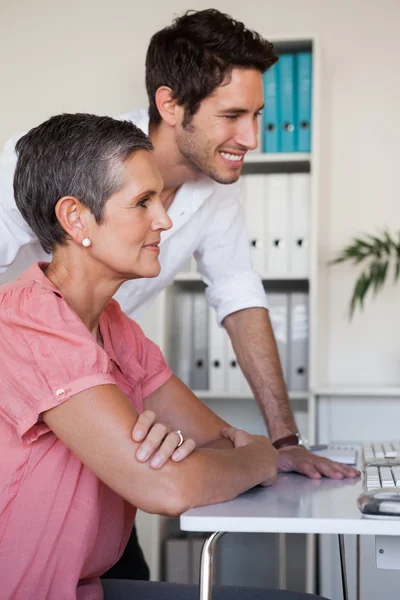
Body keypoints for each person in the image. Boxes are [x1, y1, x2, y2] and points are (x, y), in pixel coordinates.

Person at [0, 8, 359, 582]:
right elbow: (168, 482)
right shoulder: (67, 165)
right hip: (34, 381)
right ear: (170, 105)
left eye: (258, 115)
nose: (252, 138)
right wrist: (31, 374)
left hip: (100, 378)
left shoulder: (122, 328)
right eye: (232, 115)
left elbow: (240, 298)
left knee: (106, 549)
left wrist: (278, 442)